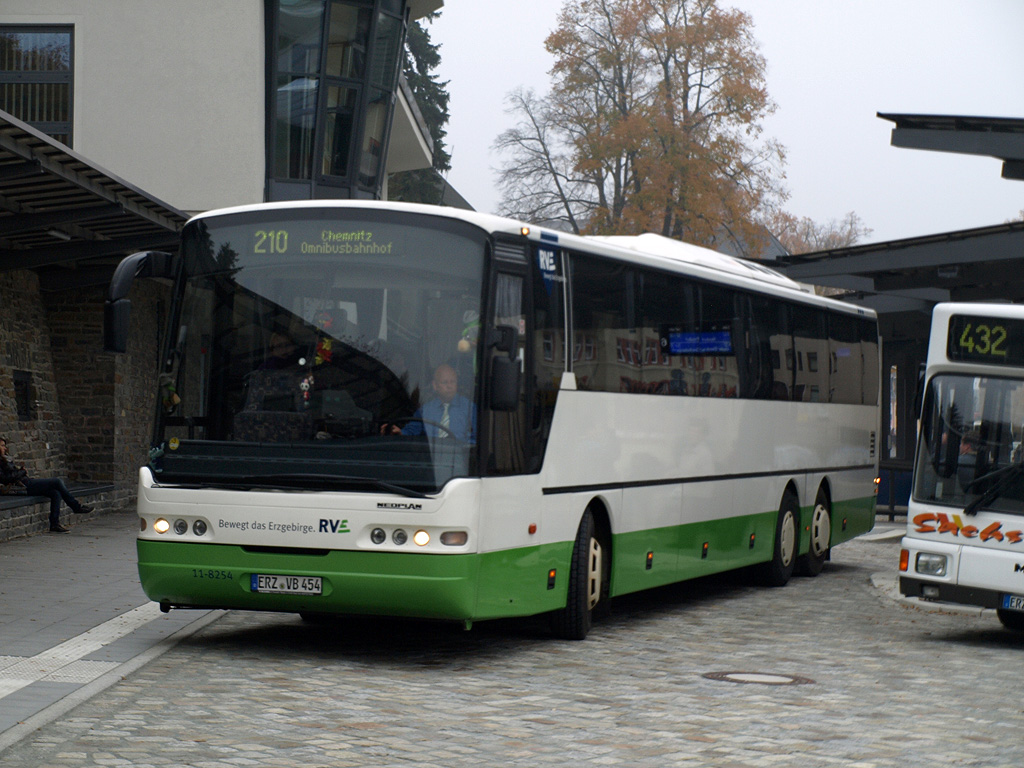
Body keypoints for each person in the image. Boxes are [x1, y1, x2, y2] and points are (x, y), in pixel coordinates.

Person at [0, 437, 93, 533]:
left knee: (55, 493)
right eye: (2, 446)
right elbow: (5, 478)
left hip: (25, 482)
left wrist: (20, 471)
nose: (5, 448)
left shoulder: (5, 459)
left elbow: (12, 474)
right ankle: (76, 507)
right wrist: (22, 472)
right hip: (21, 486)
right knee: (57, 481)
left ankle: (54, 524)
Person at [386, 364, 476, 442]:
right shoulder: (425, 410)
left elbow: (479, 439)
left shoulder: (470, 408)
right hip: (430, 457)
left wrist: (463, 445)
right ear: (435, 385)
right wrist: (398, 432)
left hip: (459, 458)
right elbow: (411, 431)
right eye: (445, 382)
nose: (449, 386)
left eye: (452, 382)